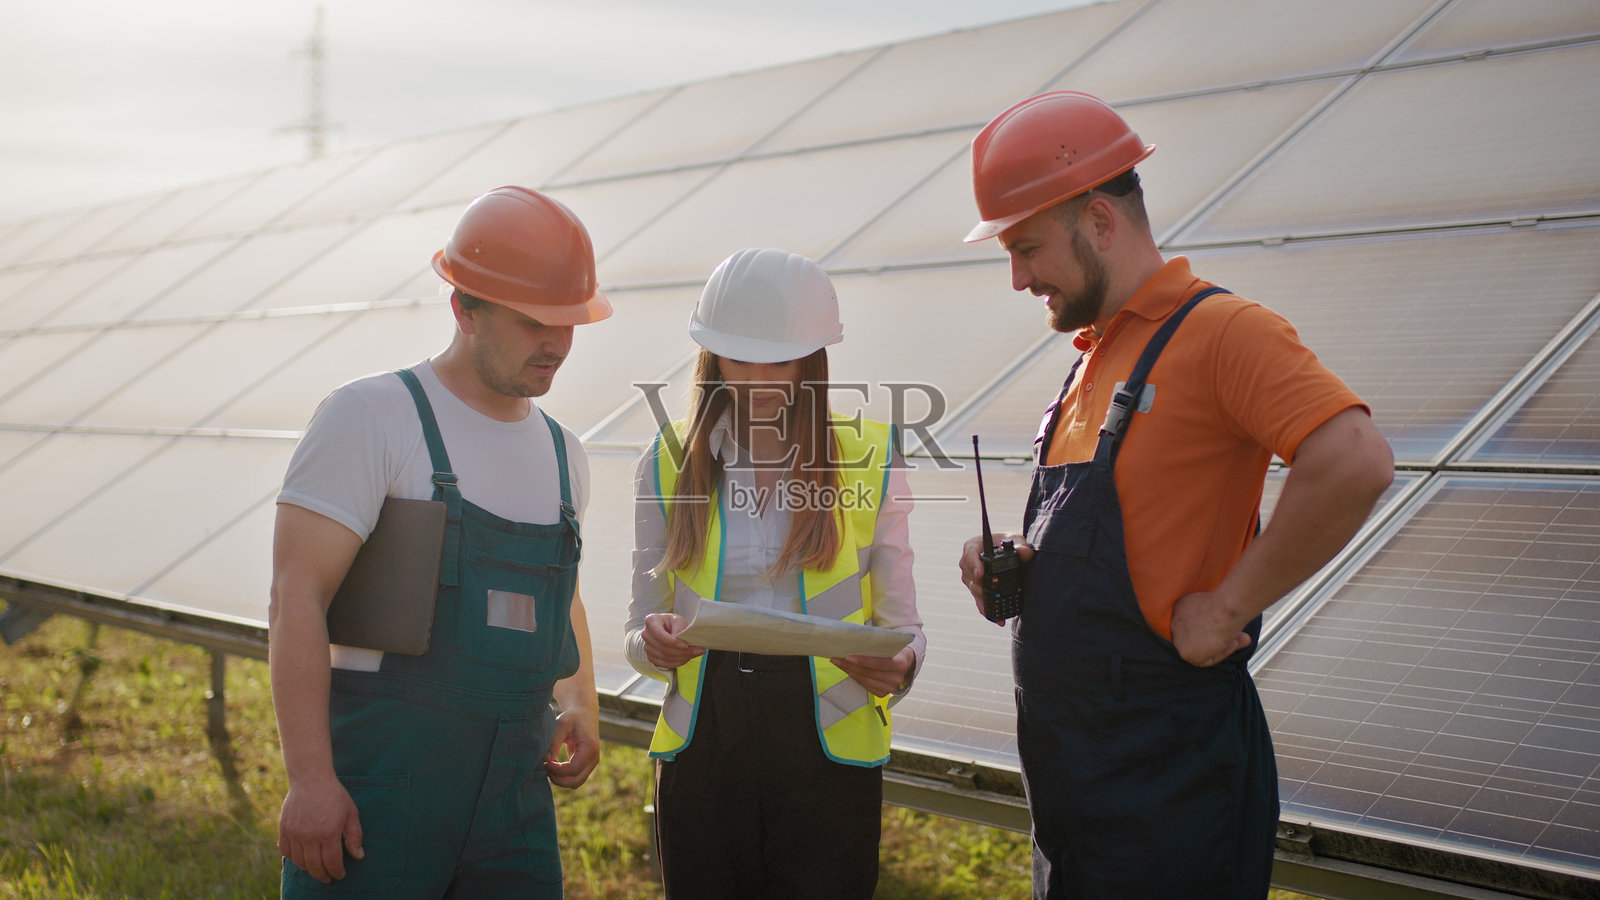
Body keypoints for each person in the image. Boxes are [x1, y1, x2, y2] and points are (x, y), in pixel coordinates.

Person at [956, 92, 1394, 899]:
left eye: (1026, 248)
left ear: (1097, 221)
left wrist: (1229, 606)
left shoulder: (1223, 331)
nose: (1018, 278)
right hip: (1075, 790)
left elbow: (1356, 459)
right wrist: (1017, 565)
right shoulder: (1092, 358)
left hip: (1170, 787)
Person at [269, 185, 611, 898]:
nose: (557, 345)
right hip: (380, 795)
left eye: (570, 324)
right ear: (464, 307)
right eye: (533, 322)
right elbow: (296, 596)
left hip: (513, 808)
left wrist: (580, 698)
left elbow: (561, 596)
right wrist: (310, 781)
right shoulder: (373, 417)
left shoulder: (562, 455)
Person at [624, 248, 925, 900]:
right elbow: (637, 632)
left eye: (780, 361)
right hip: (704, 744)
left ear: (813, 360)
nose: (760, 379)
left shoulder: (873, 455)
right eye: (741, 359)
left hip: (829, 745)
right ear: (711, 356)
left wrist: (899, 665)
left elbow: (904, 628)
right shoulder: (665, 461)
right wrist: (651, 644)